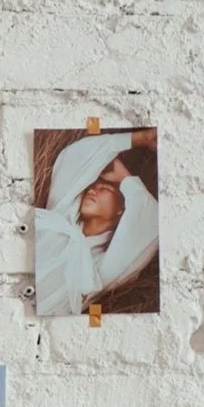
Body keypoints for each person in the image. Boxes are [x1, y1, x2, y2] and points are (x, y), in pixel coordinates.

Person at [35, 129, 158, 315]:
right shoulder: (59, 216)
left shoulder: (99, 270)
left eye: (105, 189)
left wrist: (125, 178)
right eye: (92, 186)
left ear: (121, 210)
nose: (93, 189)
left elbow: (150, 217)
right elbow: (72, 158)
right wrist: (138, 138)